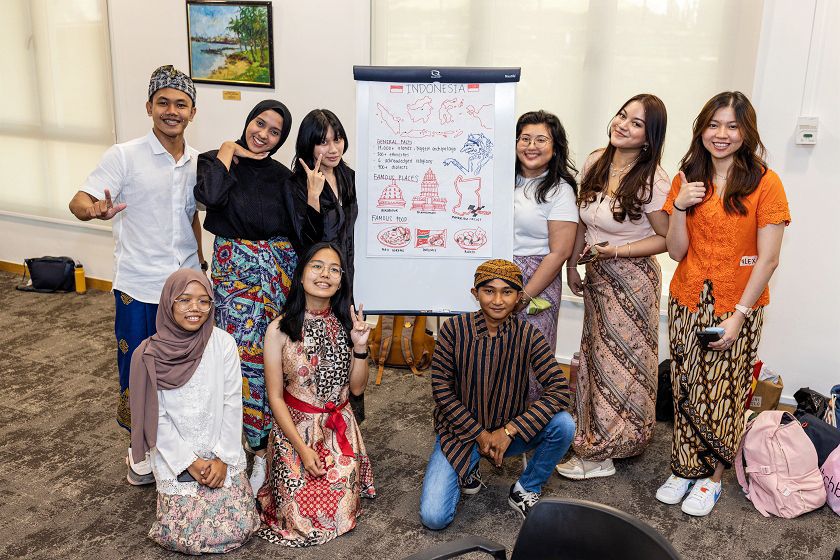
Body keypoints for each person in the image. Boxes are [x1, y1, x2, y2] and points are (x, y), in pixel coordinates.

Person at [655, 91, 790, 516]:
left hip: (738, 304)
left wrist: (738, 317)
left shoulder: (765, 182)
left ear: (746, 132)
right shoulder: (686, 177)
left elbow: (768, 259)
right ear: (701, 129)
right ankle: (685, 467)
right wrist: (679, 207)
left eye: (732, 126)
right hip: (687, 298)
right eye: (714, 125)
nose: (722, 134)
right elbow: (676, 251)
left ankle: (713, 477)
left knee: (725, 390)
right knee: (685, 386)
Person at [69, 65, 203, 485]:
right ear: (148, 107)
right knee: (138, 369)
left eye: (180, 104)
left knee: (185, 369)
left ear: (192, 112)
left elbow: (191, 218)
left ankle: (180, 447)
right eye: (163, 102)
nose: (171, 111)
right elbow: (79, 200)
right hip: (139, 286)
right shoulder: (123, 156)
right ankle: (139, 452)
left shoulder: (198, 163)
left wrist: (201, 265)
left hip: (186, 288)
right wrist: (94, 210)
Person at [194, 99, 319, 493]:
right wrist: (228, 150)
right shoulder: (214, 160)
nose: (263, 135)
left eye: (274, 131)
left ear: (281, 139)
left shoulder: (283, 177)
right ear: (248, 121)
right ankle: (235, 447)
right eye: (259, 124)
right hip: (234, 281)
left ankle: (265, 450)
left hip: (275, 279)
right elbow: (211, 197)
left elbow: (302, 234)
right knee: (235, 361)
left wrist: (313, 197)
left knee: (272, 363)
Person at [555, 94, 669, 480]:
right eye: (622, 115)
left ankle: (603, 452)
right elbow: (581, 221)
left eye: (636, 123)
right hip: (598, 273)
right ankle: (594, 431)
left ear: (649, 138)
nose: (623, 125)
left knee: (620, 364)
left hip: (633, 280)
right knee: (595, 357)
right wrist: (572, 264)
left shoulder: (654, 180)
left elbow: (667, 239)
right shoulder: (595, 161)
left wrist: (618, 251)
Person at [419, 259, 574, 529]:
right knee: (434, 518)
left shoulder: (529, 335)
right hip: (461, 434)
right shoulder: (453, 330)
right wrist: (481, 434)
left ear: (519, 297)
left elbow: (559, 390)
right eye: (489, 291)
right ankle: (469, 468)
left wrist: (509, 430)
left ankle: (526, 487)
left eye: (507, 292)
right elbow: (442, 392)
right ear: (475, 293)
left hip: (509, 432)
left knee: (564, 425)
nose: (498, 300)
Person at [129, 269, 259, 554]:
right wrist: (190, 462)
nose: (195, 308)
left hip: (220, 449)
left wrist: (223, 458)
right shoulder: (148, 355)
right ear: (169, 302)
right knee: (184, 535)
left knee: (239, 527)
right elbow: (156, 419)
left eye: (203, 301)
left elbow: (232, 403)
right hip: (177, 455)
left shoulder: (223, 343)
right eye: (185, 299)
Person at [257, 242, 375, 547]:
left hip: (338, 430)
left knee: (340, 514)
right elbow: (275, 397)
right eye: (317, 266)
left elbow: (357, 388)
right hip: (295, 431)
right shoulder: (279, 329)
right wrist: (302, 449)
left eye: (334, 270)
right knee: (299, 522)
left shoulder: (347, 324)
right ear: (301, 274)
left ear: (341, 281)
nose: (325, 274)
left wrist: (360, 346)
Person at [287, 109, 365, 420]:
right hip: (318, 283)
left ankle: (348, 424)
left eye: (338, 139)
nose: (333, 149)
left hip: (348, 279)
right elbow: (304, 243)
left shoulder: (350, 177)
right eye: (323, 142)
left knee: (350, 346)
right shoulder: (295, 183)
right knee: (317, 357)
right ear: (309, 145)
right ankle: (313, 423)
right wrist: (313, 197)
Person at [513, 110, 579, 403]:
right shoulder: (499, 179)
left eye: (541, 139)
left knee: (531, 358)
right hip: (496, 276)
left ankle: (530, 421)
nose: (531, 146)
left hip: (537, 279)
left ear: (555, 147)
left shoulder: (560, 190)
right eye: (524, 138)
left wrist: (524, 296)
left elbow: (560, 252)